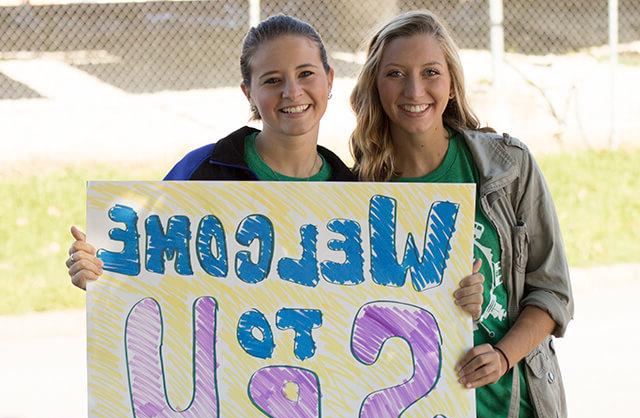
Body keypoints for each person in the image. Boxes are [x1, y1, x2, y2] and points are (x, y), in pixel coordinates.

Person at [66, 13, 484, 322]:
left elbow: (387, 311)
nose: (292, 92)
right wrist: (96, 272)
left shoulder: (355, 193)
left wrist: (454, 297)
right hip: (227, 412)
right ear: (248, 91)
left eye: (306, 74)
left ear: (329, 79)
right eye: (271, 80)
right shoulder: (204, 171)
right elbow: (144, 270)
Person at [350, 10, 573, 418]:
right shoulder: (356, 193)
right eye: (395, 75)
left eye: (430, 72)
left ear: (451, 82)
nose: (414, 91)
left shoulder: (506, 168)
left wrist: (503, 354)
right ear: (375, 86)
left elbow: (553, 293)